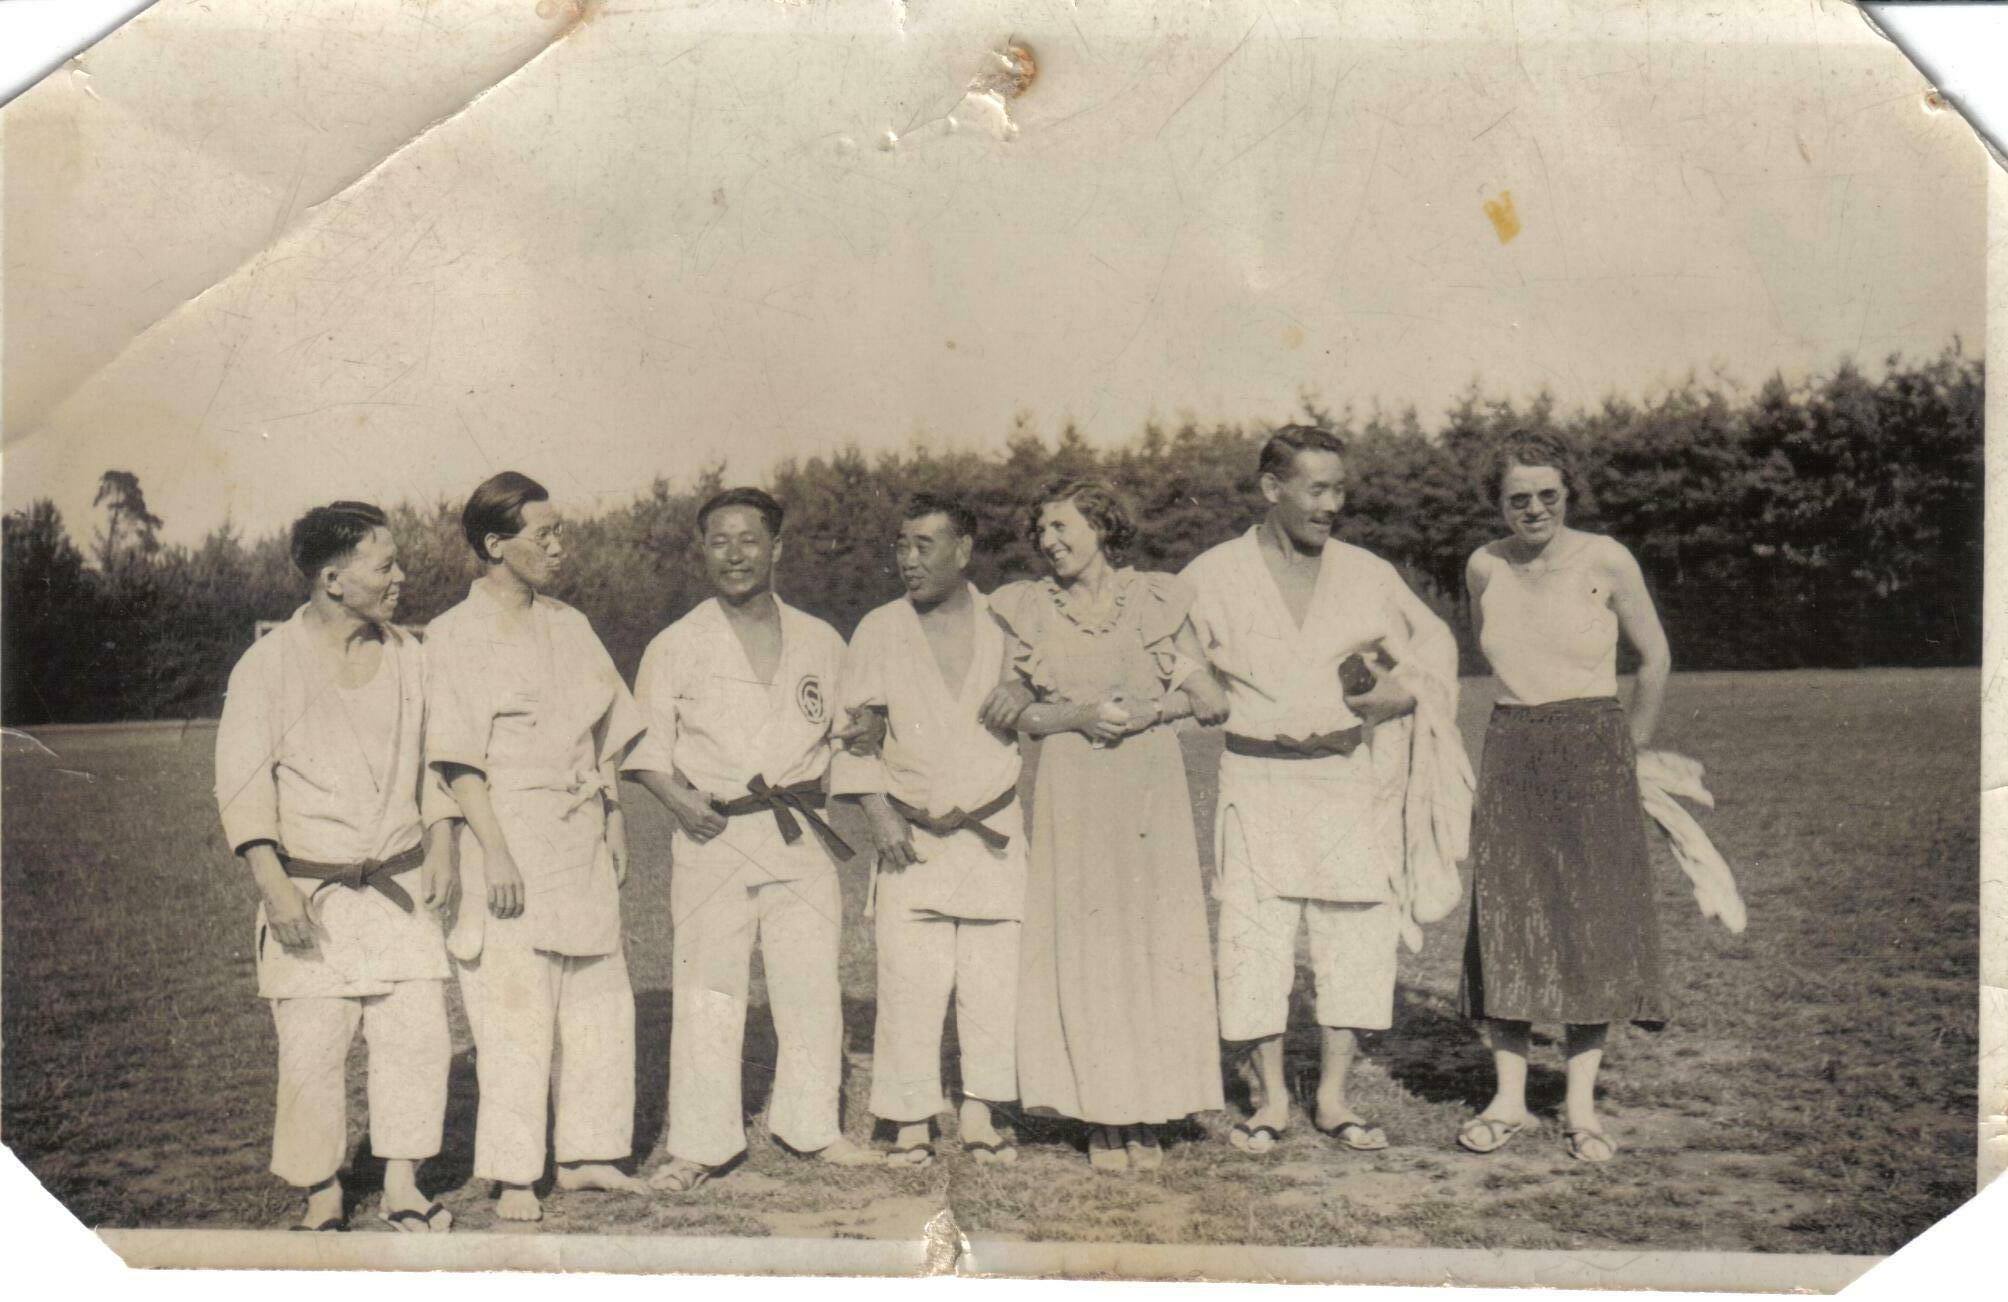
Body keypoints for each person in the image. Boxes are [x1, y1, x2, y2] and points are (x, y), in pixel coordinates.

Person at [1181, 426, 1470, 1155]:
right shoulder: (1212, 574)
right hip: (1255, 775)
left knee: (1356, 937)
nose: (1332, 504)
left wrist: (1403, 695)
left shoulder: (1367, 573)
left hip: (1347, 776)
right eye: (1317, 489)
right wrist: (1197, 680)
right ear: (1272, 489)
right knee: (1253, 938)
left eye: (1340, 489)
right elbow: (1171, 652)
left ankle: (1336, 1098)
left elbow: (1434, 646)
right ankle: (1270, 1097)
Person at [624, 487, 883, 1193]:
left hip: (798, 829)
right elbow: (644, 752)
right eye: (719, 541)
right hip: (716, 833)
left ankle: (812, 1128)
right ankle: (701, 1144)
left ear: (776, 548)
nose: (735, 554)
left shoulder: (820, 639)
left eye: (749, 540)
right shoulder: (675, 644)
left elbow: (850, 729)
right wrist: (682, 805)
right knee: (710, 988)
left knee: (809, 985)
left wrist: (862, 731)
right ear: (702, 552)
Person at [214, 501, 456, 1233]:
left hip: (399, 884)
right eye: (384, 565)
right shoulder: (267, 665)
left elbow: (433, 764)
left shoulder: (412, 655)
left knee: (415, 1036)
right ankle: (322, 1191)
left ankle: (405, 1184)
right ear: (331, 578)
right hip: (309, 892)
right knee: (314, 1046)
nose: (400, 577)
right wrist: (273, 885)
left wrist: (441, 844)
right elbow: (242, 785)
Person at [978, 478, 1229, 1172]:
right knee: (1085, 941)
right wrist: (1079, 715)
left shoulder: (1157, 598)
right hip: (1072, 786)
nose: (1049, 542)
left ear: (1102, 525)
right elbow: (1017, 711)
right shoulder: (1026, 608)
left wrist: (1154, 712)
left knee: (1150, 938)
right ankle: (1100, 1115)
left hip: (1150, 787)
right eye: (1042, 532)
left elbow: (1210, 697)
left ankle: (1148, 1112)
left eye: (1062, 527)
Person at [424, 472, 649, 1222]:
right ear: (495, 544)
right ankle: (516, 1173)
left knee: (598, 999)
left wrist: (613, 817)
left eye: (560, 531)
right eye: (542, 533)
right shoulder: (454, 635)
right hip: (508, 828)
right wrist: (495, 851)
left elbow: (604, 735)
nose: (559, 545)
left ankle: (588, 1154)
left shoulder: (571, 624)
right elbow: (457, 761)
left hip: (580, 828)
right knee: (515, 1008)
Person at [1455, 431, 1674, 1164]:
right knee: (1508, 914)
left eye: (1548, 494)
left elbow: (1654, 658)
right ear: (1499, 503)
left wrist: (1630, 750)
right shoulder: (1483, 566)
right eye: (1518, 498)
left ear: (1567, 493)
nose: (1535, 508)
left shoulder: (1606, 558)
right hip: (1513, 746)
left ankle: (1581, 1108)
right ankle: (1510, 1100)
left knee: (1593, 924)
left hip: (1593, 747)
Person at [831, 492, 1027, 1167]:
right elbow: (851, 735)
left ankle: (981, 1109)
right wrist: (879, 812)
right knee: (910, 979)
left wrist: (1027, 690)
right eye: (901, 545)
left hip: (993, 826)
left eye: (924, 546)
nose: (908, 560)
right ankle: (909, 1116)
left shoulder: (1008, 620)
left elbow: (1049, 688)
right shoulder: (880, 628)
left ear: (964, 551)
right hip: (910, 834)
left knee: (992, 979)